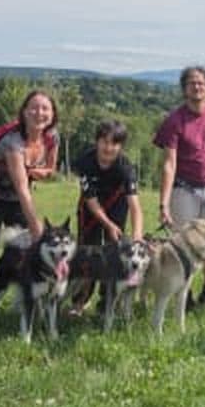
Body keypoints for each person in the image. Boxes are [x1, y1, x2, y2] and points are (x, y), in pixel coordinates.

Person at [0, 90, 59, 340]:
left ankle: (28, 302)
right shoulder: (13, 143)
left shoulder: (52, 137)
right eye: (34, 108)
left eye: (45, 108)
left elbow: (51, 168)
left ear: (53, 114)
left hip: (17, 198)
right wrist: (37, 228)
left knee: (26, 253)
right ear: (24, 112)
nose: (40, 113)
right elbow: (23, 191)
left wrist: (41, 172)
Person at [153, 65, 205, 306]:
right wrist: (163, 203)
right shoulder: (174, 120)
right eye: (191, 83)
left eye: (201, 83)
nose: (197, 87)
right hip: (184, 190)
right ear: (184, 89)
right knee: (183, 247)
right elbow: (169, 163)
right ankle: (185, 296)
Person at [70, 120, 145, 315]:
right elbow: (92, 201)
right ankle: (79, 302)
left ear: (120, 147)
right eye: (104, 141)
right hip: (90, 208)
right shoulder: (85, 162)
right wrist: (108, 224)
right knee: (87, 255)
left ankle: (107, 301)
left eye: (114, 143)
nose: (108, 147)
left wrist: (137, 237)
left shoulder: (126, 168)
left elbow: (135, 207)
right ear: (97, 142)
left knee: (116, 253)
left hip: (117, 205)